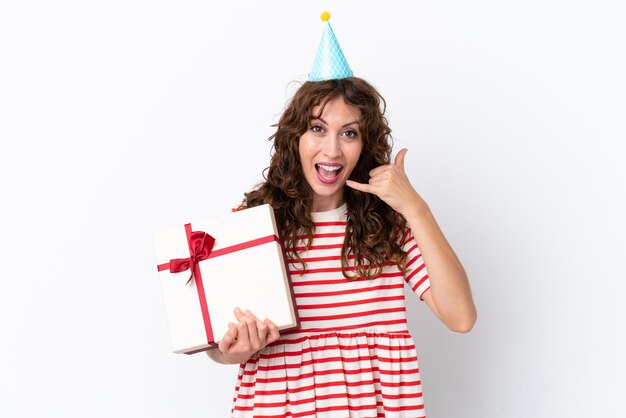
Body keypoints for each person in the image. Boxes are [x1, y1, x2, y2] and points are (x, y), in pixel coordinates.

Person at [207, 13, 476, 418]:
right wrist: (231, 352)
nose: (332, 150)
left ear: (364, 146)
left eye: (349, 133)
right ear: (294, 138)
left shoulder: (389, 227)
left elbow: (461, 317)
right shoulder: (254, 224)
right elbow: (219, 344)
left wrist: (415, 208)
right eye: (318, 128)